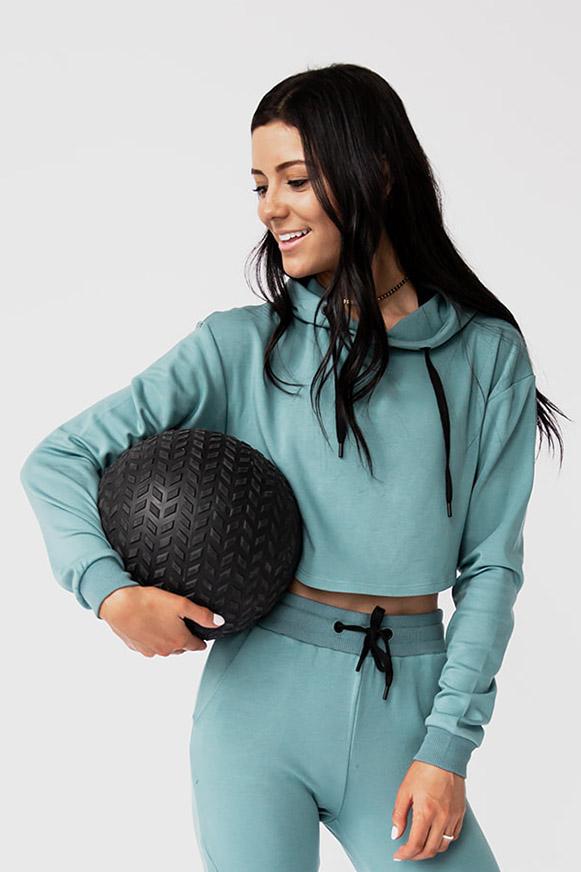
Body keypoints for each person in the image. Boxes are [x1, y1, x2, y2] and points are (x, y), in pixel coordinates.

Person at [20, 63, 566, 870]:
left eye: (296, 180)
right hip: (256, 712)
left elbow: (490, 568)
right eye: (259, 185)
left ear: (375, 173)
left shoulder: (486, 355)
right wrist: (110, 594)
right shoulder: (238, 345)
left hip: (407, 715)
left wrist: (446, 749)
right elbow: (59, 459)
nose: (269, 207)